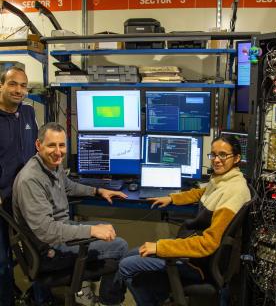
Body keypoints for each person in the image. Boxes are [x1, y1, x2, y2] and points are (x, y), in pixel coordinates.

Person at [119, 135, 251, 306]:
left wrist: (161, 247)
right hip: (192, 250)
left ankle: (116, 299)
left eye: (223, 155)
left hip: (199, 264)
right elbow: (202, 193)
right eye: (213, 155)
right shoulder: (224, 180)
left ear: (237, 158)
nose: (216, 160)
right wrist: (172, 198)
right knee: (130, 253)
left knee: (126, 266)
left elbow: (208, 243)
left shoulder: (233, 192)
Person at [12, 122, 128, 306]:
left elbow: (69, 186)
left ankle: (96, 295)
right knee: (120, 246)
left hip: (60, 232)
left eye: (61, 145)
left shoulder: (52, 164)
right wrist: (91, 231)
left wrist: (98, 191)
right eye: (51, 145)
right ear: (38, 145)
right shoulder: (31, 179)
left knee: (111, 232)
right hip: (48, 250)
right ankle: (108, 302)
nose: (58, 152)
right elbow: (47, 231)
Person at [0, 66, 38, 306]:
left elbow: (35, 152)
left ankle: (40, 298)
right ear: (1, 86)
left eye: (23, 86)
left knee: (38, 251)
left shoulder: (27, 114)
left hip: (27, 198)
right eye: (13, 84)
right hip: (2, 200)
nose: (18, 90)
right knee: (2, 260)